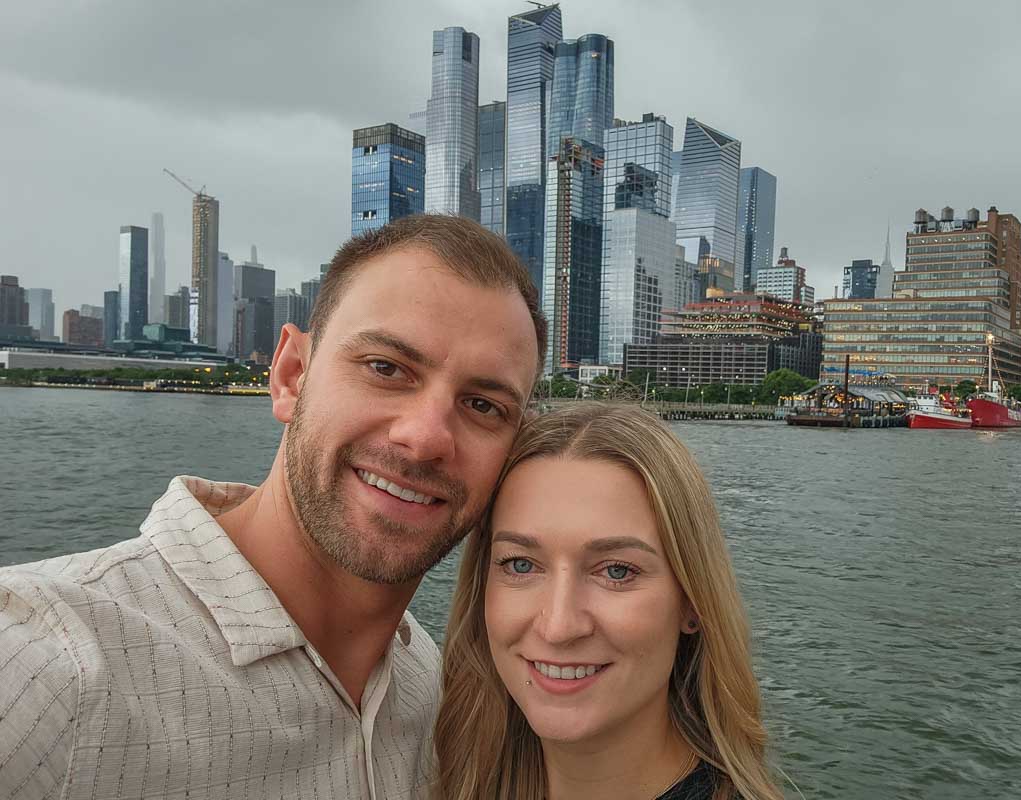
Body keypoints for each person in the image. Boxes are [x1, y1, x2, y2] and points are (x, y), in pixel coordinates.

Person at [0, 215, 546, 799]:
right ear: (291, 375)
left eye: (483, 406)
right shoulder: (45, 662)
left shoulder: (428, 687)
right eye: (386, 368)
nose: (426, 437)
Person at [435, 404, 785, 800]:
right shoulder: (449, 773)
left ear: (692, 601)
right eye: (520, 564)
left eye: (617, 571)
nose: (559, 627)